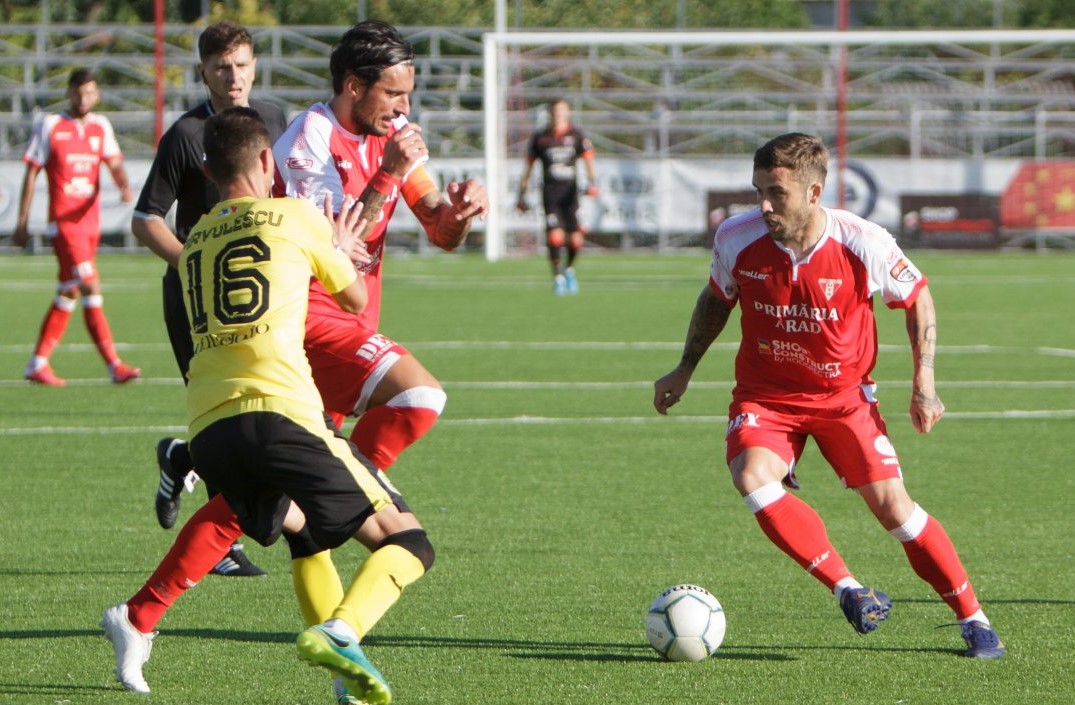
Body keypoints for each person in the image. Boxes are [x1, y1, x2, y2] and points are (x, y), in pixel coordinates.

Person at [101, 107, 433, 705]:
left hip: (210, 431)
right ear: (265, 161)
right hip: (281, 414)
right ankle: (341, 632)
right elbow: (355, 300)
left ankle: (342, 679)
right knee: (408, 544)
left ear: (207, 171)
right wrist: (339, 245)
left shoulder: (194, 241)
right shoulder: (296, 216)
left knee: (304, 533)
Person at [652, 133, 1005, 659]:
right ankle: (849, 589)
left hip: (844, 399)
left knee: (896, 511)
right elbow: (717, 299)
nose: (764, 205)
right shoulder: (735, 237)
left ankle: (973, 618)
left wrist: (924, 383)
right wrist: (684, 368)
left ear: (814, 192)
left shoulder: (863, 241)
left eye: (777, 193)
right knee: (752, 477)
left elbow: (917, 297)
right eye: (758, 191)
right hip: (766, 397)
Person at [131, 20, 288, 577]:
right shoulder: (185, 135)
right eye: (222, 67)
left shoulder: (273, 120)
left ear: (254, 66)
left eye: (242, 64)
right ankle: (221, 544)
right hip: (195, 300)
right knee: (218, 410)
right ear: (203, 71)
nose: (233, 76)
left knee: (257, 406)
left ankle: (181, 458)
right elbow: (146, 218)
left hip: (255, 292)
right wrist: (193, 265)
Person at [14, 67, 139, 386]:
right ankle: (114, 365)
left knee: (68, 290)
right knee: (89, 285)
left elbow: (114, 162)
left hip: (89, 225)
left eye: (90, 93)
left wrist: (123, 185)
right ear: (69, 93)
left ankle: (37, 363)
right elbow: (31, 172)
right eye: (78, 92)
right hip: (64, 224)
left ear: (97, 95)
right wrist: (22, 221)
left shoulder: (100, 126)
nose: (83, 99)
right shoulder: (51, 126)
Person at [515, 99, 597, 296]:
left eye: (562, 110)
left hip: (571, 195)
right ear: (550, 113)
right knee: (555, 236)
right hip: (550, 194)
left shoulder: (576, 135)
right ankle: (558, 278)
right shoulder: (540, 138)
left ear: (568, 112)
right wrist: (521, 196)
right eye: (555, 111)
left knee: (575, 240)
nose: (558, 114)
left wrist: (592, 183)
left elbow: (588, 159)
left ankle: (568, 270)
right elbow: (528, 169)